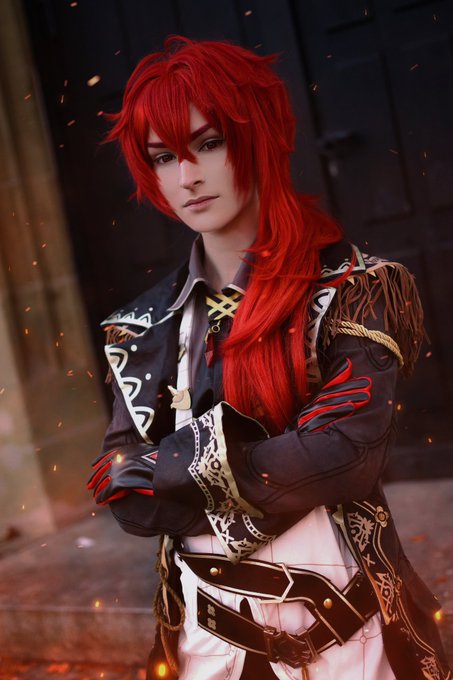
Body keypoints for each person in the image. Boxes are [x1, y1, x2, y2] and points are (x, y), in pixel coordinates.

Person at [87, 36, 451, 680]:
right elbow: (125, 495)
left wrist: (170, 466)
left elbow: (344, 455)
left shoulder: (355, 287)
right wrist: (271, 461)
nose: (187, 177)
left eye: (208, 144)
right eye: (164, 157)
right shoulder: (138, 327)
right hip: (205, 647)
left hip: (350, 634)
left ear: (257, 138)